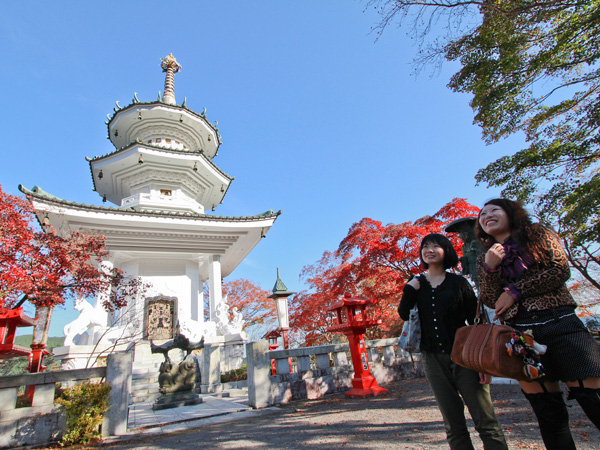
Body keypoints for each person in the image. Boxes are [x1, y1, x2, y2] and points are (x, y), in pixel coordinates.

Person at [476, 198, 600, 450]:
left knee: (593, 399)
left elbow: (559, 269)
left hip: (560, 323)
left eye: (494, 210)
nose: (487, 215)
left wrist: (515, 291)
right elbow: (490, 299)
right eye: (482, 214)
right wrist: (490, 268)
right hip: (521, 337)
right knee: (549, 415)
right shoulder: (485, 257)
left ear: (510, 213)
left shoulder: (536, 234)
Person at [398, 233, 508, 450]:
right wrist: (409, 289)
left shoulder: (459, 283)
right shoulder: (416, 284)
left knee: (485, 420)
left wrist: (483, 362)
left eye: (436, 246)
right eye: (425, 246)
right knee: (453, 424)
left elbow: (476, 321)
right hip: (433, 359)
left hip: (465, 357)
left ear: (446, 250)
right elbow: (403, 313)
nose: (429, 250)